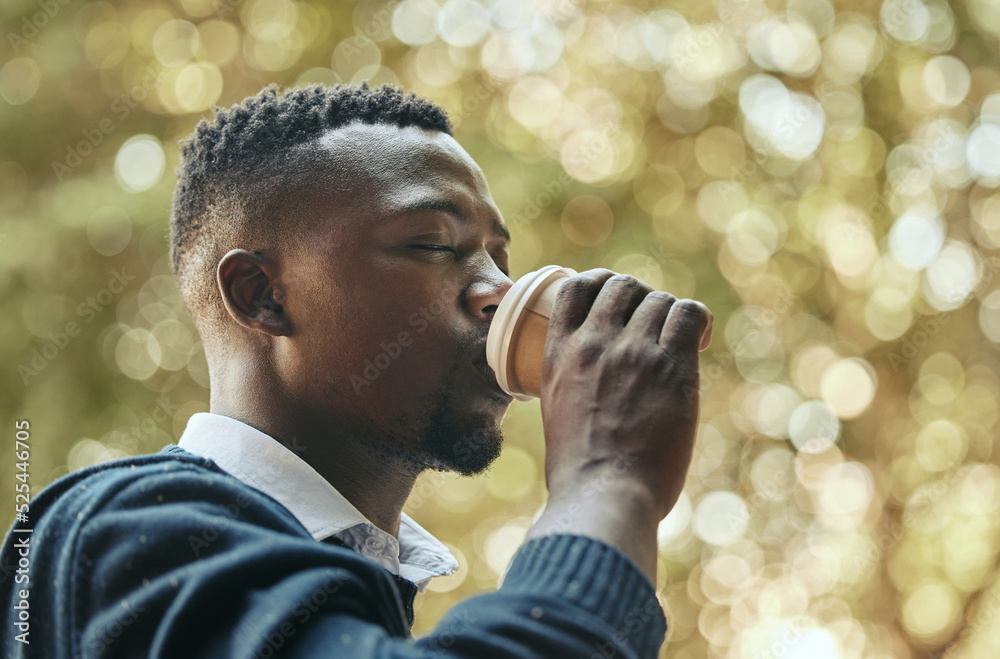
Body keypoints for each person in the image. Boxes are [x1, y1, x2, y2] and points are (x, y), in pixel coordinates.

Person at [1, 82, 712, 658]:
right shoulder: (125, 528)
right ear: (261, 295)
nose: (496, 289)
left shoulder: (351, 592)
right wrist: (607, 479)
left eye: (499, 256)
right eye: (432, 243)